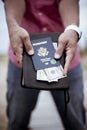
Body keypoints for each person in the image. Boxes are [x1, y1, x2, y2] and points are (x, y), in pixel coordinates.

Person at [4, 0, 86, 130]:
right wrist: (13, 26)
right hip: (22, 57)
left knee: (75, 122)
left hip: (65, 57)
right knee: (16, 122)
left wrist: (72, 29)